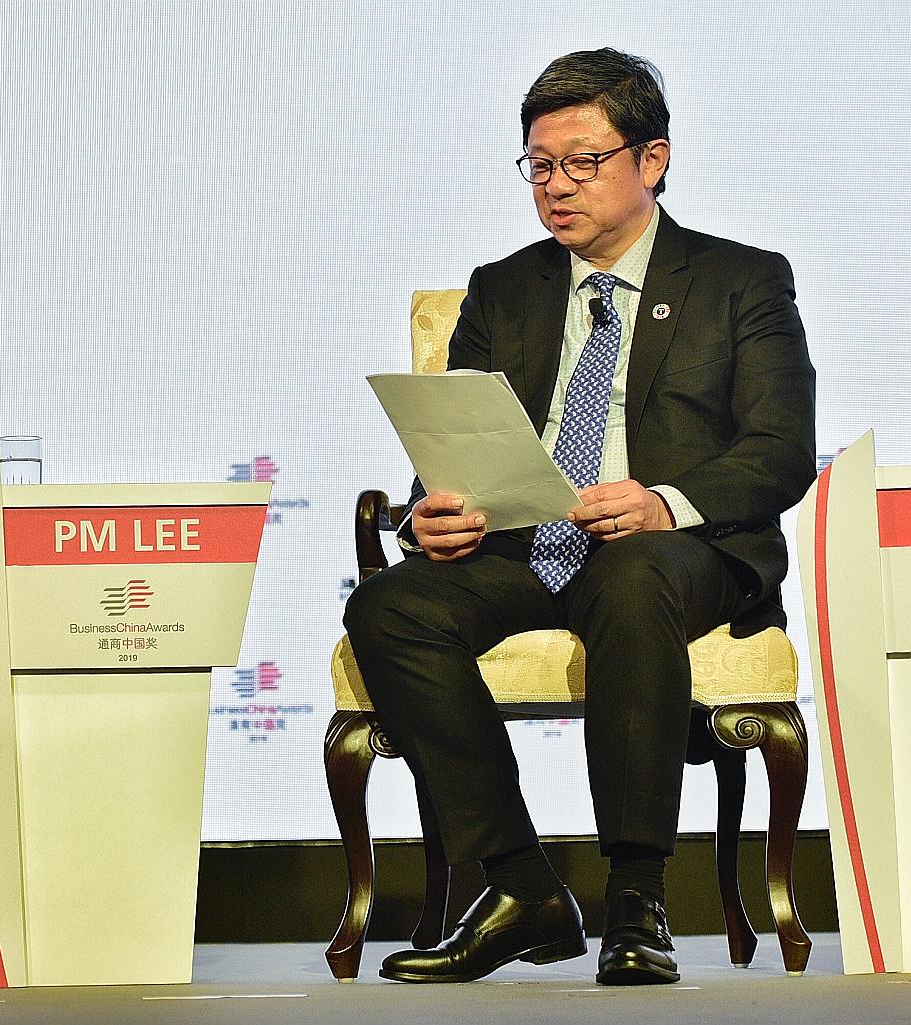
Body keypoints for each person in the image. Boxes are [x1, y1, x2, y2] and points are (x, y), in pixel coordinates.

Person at [343, 48, 815, 986]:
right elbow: (458, 444)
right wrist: (433, 516)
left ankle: (637, 897)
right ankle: (522, 888)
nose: (556, 188)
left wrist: (662, 503)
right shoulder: (504, 286)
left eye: (583, 162)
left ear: (653, 159)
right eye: (540, 166)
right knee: (389, 606)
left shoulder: (742, 281)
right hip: (530, 543)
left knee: (632, 573)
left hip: (682, 547)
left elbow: (778, 449)